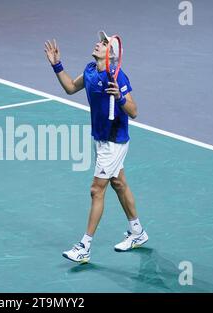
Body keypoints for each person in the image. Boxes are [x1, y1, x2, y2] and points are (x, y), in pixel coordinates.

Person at [44, 31, 149, 263]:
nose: (98, 44)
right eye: (99, 41)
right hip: (100, 139)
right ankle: (137, 232)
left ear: (111, 54)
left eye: (103, 43)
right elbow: (71, 87)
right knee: (119, 184)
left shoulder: (118, 78)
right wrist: (56, 65)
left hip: (114, 141)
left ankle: (85, 246)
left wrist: (120, 99)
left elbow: (134, 111)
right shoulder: (91, 70)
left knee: (96, 190)